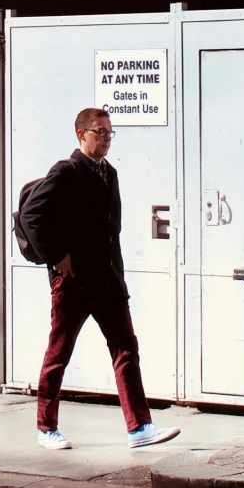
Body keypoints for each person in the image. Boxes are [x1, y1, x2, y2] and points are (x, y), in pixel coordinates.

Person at [17, 108, 178, 452]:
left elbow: (110, 232)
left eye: (109, 133)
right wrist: (56, 257)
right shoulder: (66, 170)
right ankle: (46, 427)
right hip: (73, 283)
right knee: (59, 352)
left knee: (126, 349)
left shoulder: (110, 174)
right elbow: (31, 216)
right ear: (81, 134)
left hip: (106, 282)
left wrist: (117, 276)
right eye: (99, 132)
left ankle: (139, 427)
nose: (105, 138)